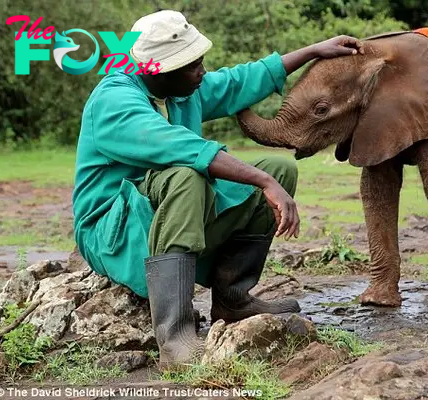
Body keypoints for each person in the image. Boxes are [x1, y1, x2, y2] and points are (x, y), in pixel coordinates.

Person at [72, 9, 363, 369]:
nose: (202, 72)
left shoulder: (179, 90)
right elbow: (181, 147)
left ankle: (232, 297)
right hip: (112, 234)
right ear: (160, 71)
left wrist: (312, 51)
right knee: (187, 176)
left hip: (163, 217)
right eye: (193, 66)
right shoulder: (114, 101)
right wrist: (262, 181)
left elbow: (237, 82)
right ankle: (174, 335)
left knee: (279, 167)